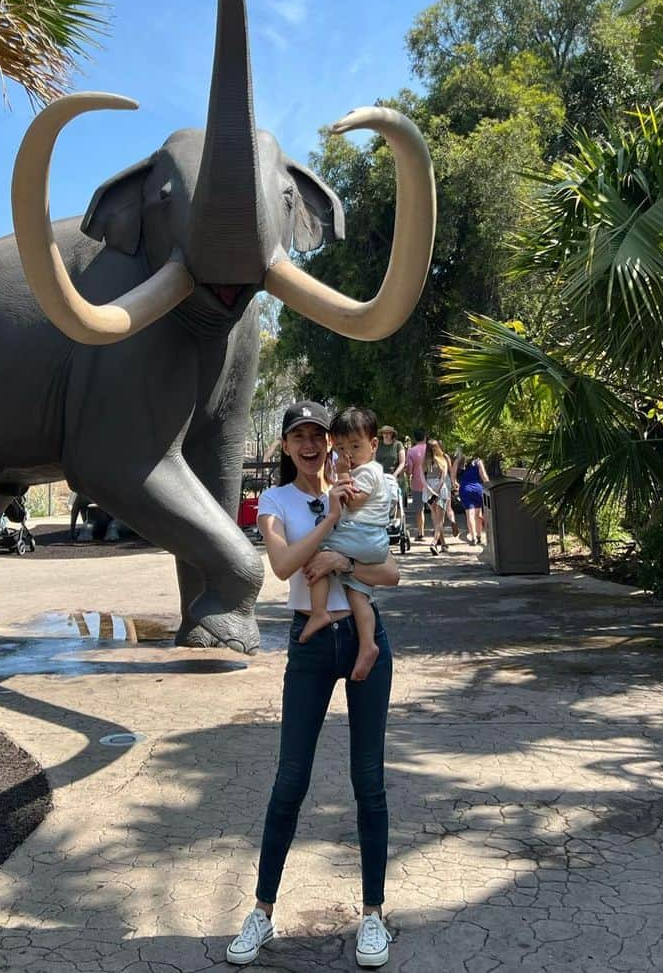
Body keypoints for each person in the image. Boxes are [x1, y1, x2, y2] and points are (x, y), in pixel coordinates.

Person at [226, 402, 399, 969]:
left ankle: (373, 916)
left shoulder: (357, 484)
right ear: (283, 446)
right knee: (290, 780)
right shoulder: (275, 503)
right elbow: (281, 566)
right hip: (308, 641)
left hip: (362, 636)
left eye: (317, 436)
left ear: (331, 443)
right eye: (297, 436)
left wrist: (339, 560)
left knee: (368, 780)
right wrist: (327, 524)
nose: (309, 444)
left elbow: (389, 573)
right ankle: (261, 911)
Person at [299, 408, 400, 681]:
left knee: (317, 547)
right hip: (369, 540)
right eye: (341, 447)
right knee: (358, 595)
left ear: (374, 445)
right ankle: (368, 645)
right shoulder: (363, 471)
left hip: (363, 535)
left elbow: (352, 501)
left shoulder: (368, 471)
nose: (348, 454)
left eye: (355, 446)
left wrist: (342, 474)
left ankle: (319, 612)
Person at [423, 440, 452, 554]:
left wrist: (429, 489)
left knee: (436, 518)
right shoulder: (442, 460)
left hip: (429, 489)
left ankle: (443, 544)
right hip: (440, 490)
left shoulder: (425, 461)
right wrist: (437, 489)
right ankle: (434, 542)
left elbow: (422, 476)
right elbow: (444, 477)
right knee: (440, 520)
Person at [455, 452, 490, 545]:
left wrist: (456, 485)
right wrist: (489, 487)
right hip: (477, 489)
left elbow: (453, 476)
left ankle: (473, 537)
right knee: (478, 514)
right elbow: (484, 477)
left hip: (465, 489)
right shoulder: (478, 461)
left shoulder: (459, 460)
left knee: (469, 514)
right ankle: (479, 536)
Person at [404, 430, 428, 540]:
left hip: (417, 483)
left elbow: (409, 470)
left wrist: (408, 472)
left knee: (419, 510)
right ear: (425, 437)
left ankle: (421, 533)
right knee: (435, 509)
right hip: (432, 482)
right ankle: (439, 534)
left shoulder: (411, 451)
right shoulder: (430, 449)